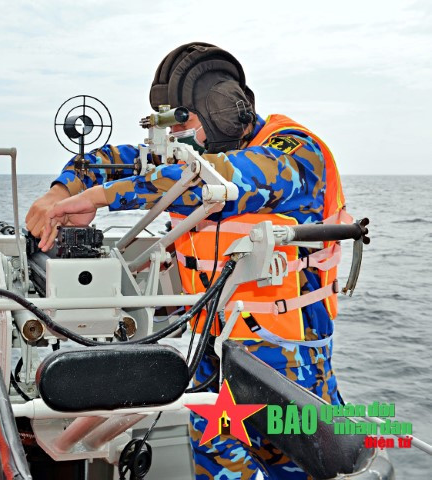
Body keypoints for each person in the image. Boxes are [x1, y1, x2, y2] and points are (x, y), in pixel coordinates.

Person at [27, 43, 350, 479]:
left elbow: (221, 178)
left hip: (289, 368)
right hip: (212, 350)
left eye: (185, 121)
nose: (177, 138)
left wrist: (103, 197)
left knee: (298, 467)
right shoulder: (192, 153)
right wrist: (61, 192)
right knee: (216, 463)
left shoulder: (295, 152)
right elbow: (109, 162)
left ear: (221, 110)